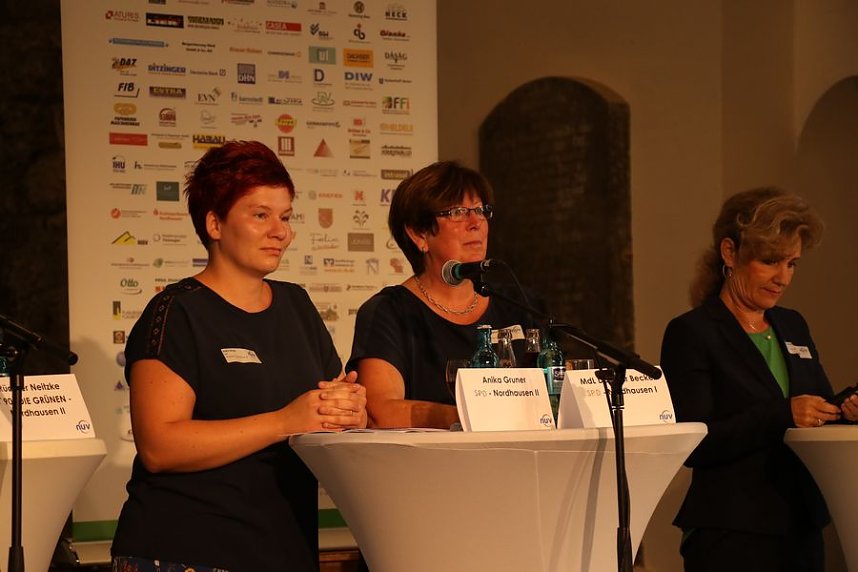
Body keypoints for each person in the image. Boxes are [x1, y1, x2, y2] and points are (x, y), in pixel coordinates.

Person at [111, 140, 367, 572]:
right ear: (214, 223)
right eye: (260, 215)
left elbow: (326, 405)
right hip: (184, 553)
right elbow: (159, 446)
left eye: (285, 217)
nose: (280, 231)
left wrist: (350, 413)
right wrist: (285, 421)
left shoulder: (297, 304)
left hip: (284, 551)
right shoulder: (177, 312)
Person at [660, 187, 856, 572]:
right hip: (733, 530)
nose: (782, 278)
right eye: (770, 262)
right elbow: (696, 442)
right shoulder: (693, 332)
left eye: (792, 264)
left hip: (800, 525)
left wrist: (847, 407)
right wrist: (782, 414)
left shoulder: (792, 323)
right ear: (730, 253)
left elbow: (816, 405)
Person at [347, 161, 545, 429]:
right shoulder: (390, 312)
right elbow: (380, 411)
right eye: (458, 212)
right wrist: (470, 417)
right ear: (418, 233)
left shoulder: (522, 304)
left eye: (480, 210)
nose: (476, 223)